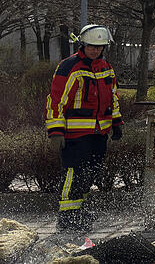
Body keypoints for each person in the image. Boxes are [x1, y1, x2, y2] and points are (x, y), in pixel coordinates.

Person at [45, 24, 122, 230]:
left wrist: (116, 122)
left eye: (99, 47)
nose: (95, 50)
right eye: (91, 46)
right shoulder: (69, 67)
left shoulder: (106, 67)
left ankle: (78, 210)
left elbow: (113, 97)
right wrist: (55, 131)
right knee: (74, 172)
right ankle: (67, 215)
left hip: (99, 132)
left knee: (91, 172)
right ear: (83, 45)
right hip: (75, 133)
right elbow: (56, 101)